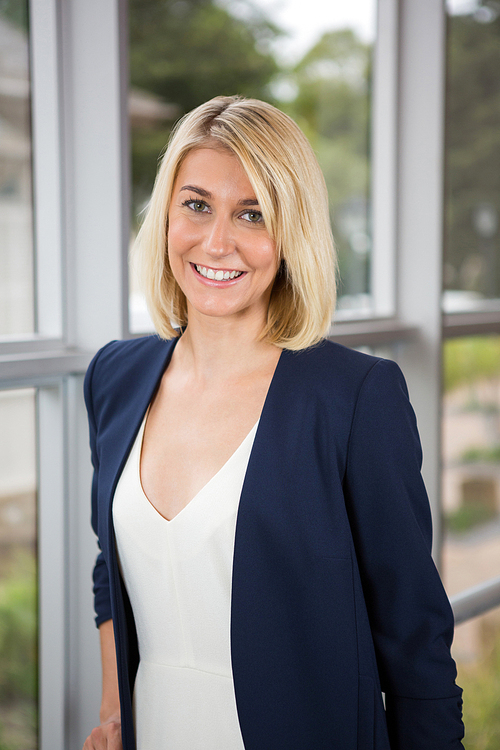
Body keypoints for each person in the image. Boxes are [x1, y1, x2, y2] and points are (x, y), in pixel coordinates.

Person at [83, 95, 464, 750]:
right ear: (166, 214)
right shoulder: (115, 377)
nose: (217, 242)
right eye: (196, 204)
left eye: (252, 214)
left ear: (291, 235)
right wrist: (115, 714)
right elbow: (108, 571)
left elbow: (414, 638)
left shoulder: (354, 397)